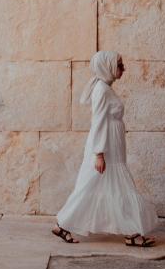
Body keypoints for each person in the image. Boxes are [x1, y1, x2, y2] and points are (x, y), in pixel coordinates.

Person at [52, 50, 158, 247]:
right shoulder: (101, 90)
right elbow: (98, 121)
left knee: (97, 186)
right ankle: (132, 233)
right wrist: (99, 153)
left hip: (112, 146)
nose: (123, 69)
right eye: (119, 65)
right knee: (97, 186)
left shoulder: (105, 88)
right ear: (107, 67)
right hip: (105, 148)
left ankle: (64, 225)